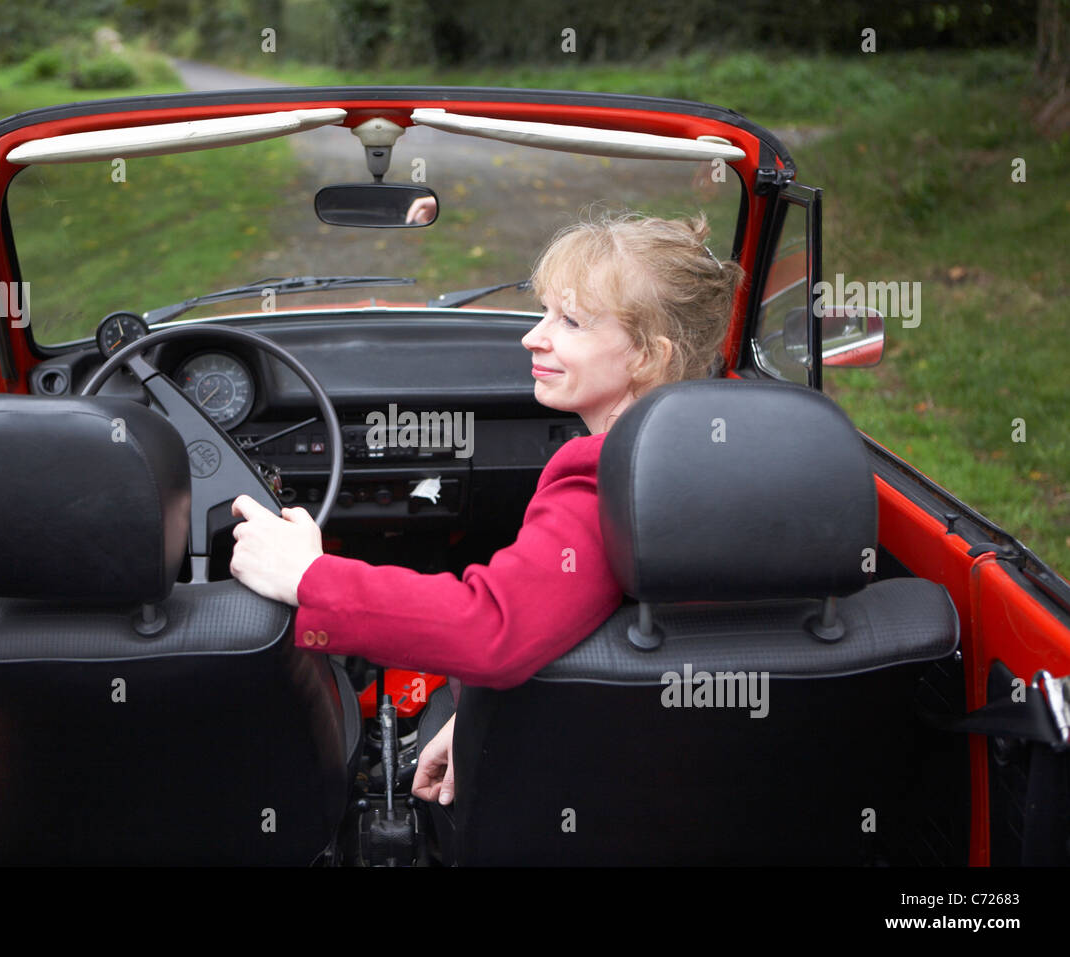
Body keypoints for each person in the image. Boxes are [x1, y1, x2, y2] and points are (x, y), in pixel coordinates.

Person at [229, 209, 744, 811]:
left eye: (571, 321)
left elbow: (492, 630)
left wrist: (306, 575)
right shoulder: (736, 454)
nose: (533, 336)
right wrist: (477, 707)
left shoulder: (606, 478)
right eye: (545, 310)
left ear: (646, 357)